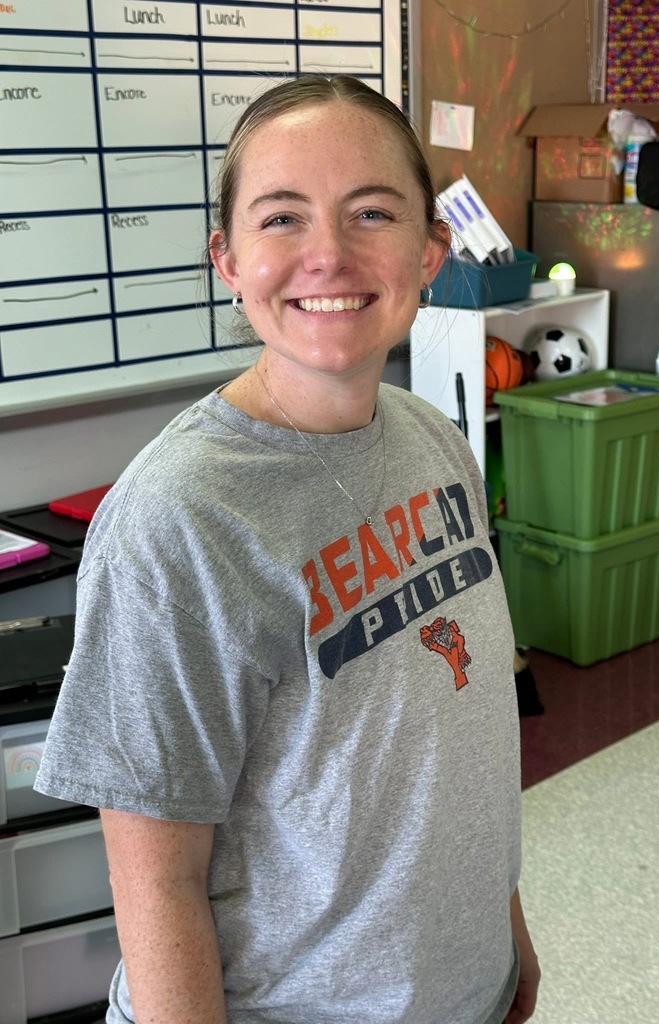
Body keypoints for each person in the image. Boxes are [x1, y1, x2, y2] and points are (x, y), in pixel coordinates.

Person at [35, 75, 540, 1024]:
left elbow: (459, 735)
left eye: (372, 212)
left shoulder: (434, 443)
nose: (329, 256)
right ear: (226, 258)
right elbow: (157, 883)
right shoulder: (182, 517)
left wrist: (501, 937)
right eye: (281, 219)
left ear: (431, 249)